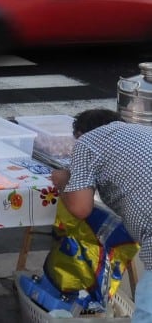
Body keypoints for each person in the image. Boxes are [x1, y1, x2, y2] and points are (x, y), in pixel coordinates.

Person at [50, 108, 152, 323]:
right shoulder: (140, 132)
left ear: (80, 134)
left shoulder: (87, 143)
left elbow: (80, 208)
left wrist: (63, 184)